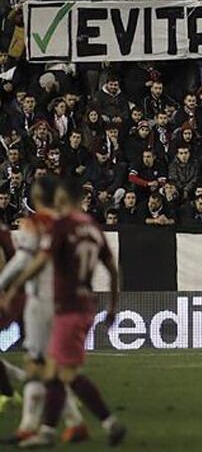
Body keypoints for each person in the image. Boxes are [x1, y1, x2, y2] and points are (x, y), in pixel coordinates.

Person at [0, 177, 125, 446]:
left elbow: (28, 260)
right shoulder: (90, 227)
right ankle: (59, 426)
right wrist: (113, 306)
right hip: (76, 303)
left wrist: (7, 287)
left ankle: (98, 423)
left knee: (45, 366)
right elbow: (113, 268)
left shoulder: (47, 224)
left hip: (52, 302)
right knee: (51, 368)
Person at [0, 178, 87, 443]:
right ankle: (69, 422)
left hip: (40, 300)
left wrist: (3, 285)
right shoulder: (72, 224)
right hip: (65, 299)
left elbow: (23, 260)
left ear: (38, 196)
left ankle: (33, 425)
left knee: (38, 363)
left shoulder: (35, 224)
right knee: (48, 363)